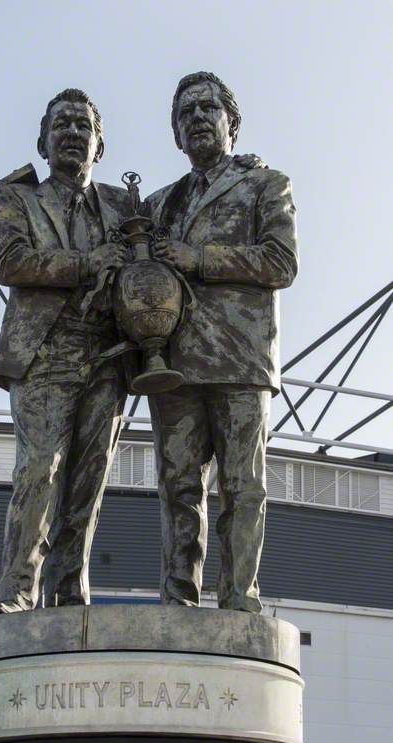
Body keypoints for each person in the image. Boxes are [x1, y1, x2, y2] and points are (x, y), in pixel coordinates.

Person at [146, 71, 298, 613]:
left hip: (240, 358)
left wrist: (201, 260)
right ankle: (178, 600)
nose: (196, 120)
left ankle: (238, 599)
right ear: (176, 135)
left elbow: (282, 263)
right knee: (177, 489)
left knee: (242, 487)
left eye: (206, 109)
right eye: (184, 114)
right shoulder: (160, 202)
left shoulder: (265, 184)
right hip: (175, 365)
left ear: (231, 122)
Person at [0, 88, 132, 613]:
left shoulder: (124, 206)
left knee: (88, 480)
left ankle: (69, 591)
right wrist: (87, 264)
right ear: (44, 142)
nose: (72, 133)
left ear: (100, 146)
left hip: (109, 356)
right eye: (61, 125)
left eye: (82, 126)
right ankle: (18, 589)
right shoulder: (16, 198)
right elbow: (14, 262)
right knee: (40, 469)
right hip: (46, 352)